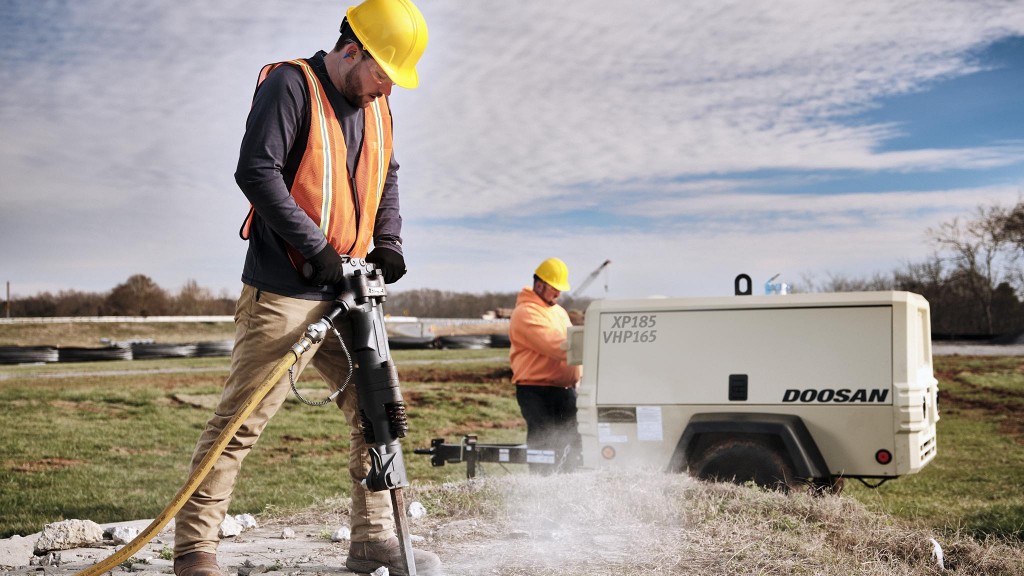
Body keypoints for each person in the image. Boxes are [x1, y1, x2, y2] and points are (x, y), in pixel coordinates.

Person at [172, 1, 442, 575]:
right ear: (352, 51)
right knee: (240, 424)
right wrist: (317, 251)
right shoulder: (293, 85)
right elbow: (256, 171)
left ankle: (372, 540)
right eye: (380, 75)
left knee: (377, 414)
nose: (385, 91)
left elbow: (387, 173)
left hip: (352, 291)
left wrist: (389, 242)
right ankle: (195, 551)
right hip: (284, 290)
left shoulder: (378, 107)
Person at [508, 258, 583, 474]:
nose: (558, 294)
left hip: (564, 390)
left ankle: (568, 486)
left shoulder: (558, 312)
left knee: (571, 442)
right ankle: (540, 489)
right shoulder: (526, 312)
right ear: (539, 285)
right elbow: (557, 346)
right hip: (537, 392)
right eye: (554, 289)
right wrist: (591, 342)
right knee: (544, 444)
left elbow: (571, 345)